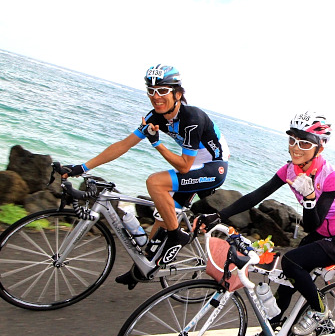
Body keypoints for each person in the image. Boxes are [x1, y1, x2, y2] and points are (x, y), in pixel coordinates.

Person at [196, 111, 335, 336]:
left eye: (304, 142)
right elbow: (255, 196)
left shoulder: (331, 176)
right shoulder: (290, 170)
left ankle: (320, 310)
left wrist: (308, 199)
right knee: (286, 282)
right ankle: (272, 333)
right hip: (320, 235)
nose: (296, 148)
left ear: (321, 146)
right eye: (292, 140)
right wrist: (219, 215)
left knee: (291, 262)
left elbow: (312, 223)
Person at [62, 64, 230, 288]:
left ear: (177, 94)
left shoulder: (192, 118)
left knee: (155, 183)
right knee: (158, 227)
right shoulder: (156, 117)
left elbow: (184, 165)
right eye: (151, 91)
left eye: (162, 91)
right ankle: (141, 270)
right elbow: (123, 145)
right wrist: (82, 168)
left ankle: (177, 236)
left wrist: (157, 143)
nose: (156, 97)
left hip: (213, 166)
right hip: (192, 168)